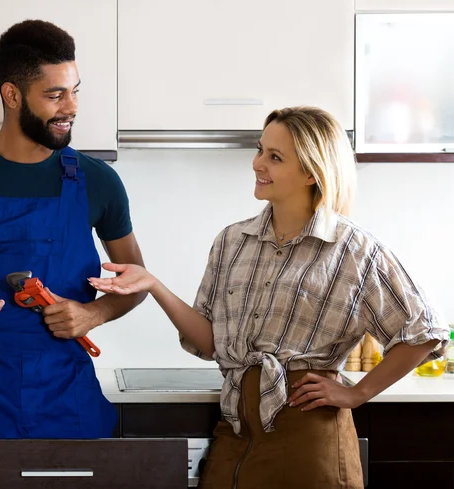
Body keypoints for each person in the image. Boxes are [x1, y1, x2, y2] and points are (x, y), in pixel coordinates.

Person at [88, 106, 450, 488]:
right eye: (260, 150)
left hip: (308, 437)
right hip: (235, 432)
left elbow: (426, 332)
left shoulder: (353, 249)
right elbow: (212, 342)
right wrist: (153, 284)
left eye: (275, 157)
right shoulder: (232, 241)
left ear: (312, 172)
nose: (258, 163)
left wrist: (357, 393)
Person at [0, 19, 146, 440]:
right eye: (55, 95)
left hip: (67, 393)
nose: (71, 107)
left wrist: (92, 314)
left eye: (75, 91)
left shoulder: (98, 181)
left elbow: (137, 282)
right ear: (12, 94)